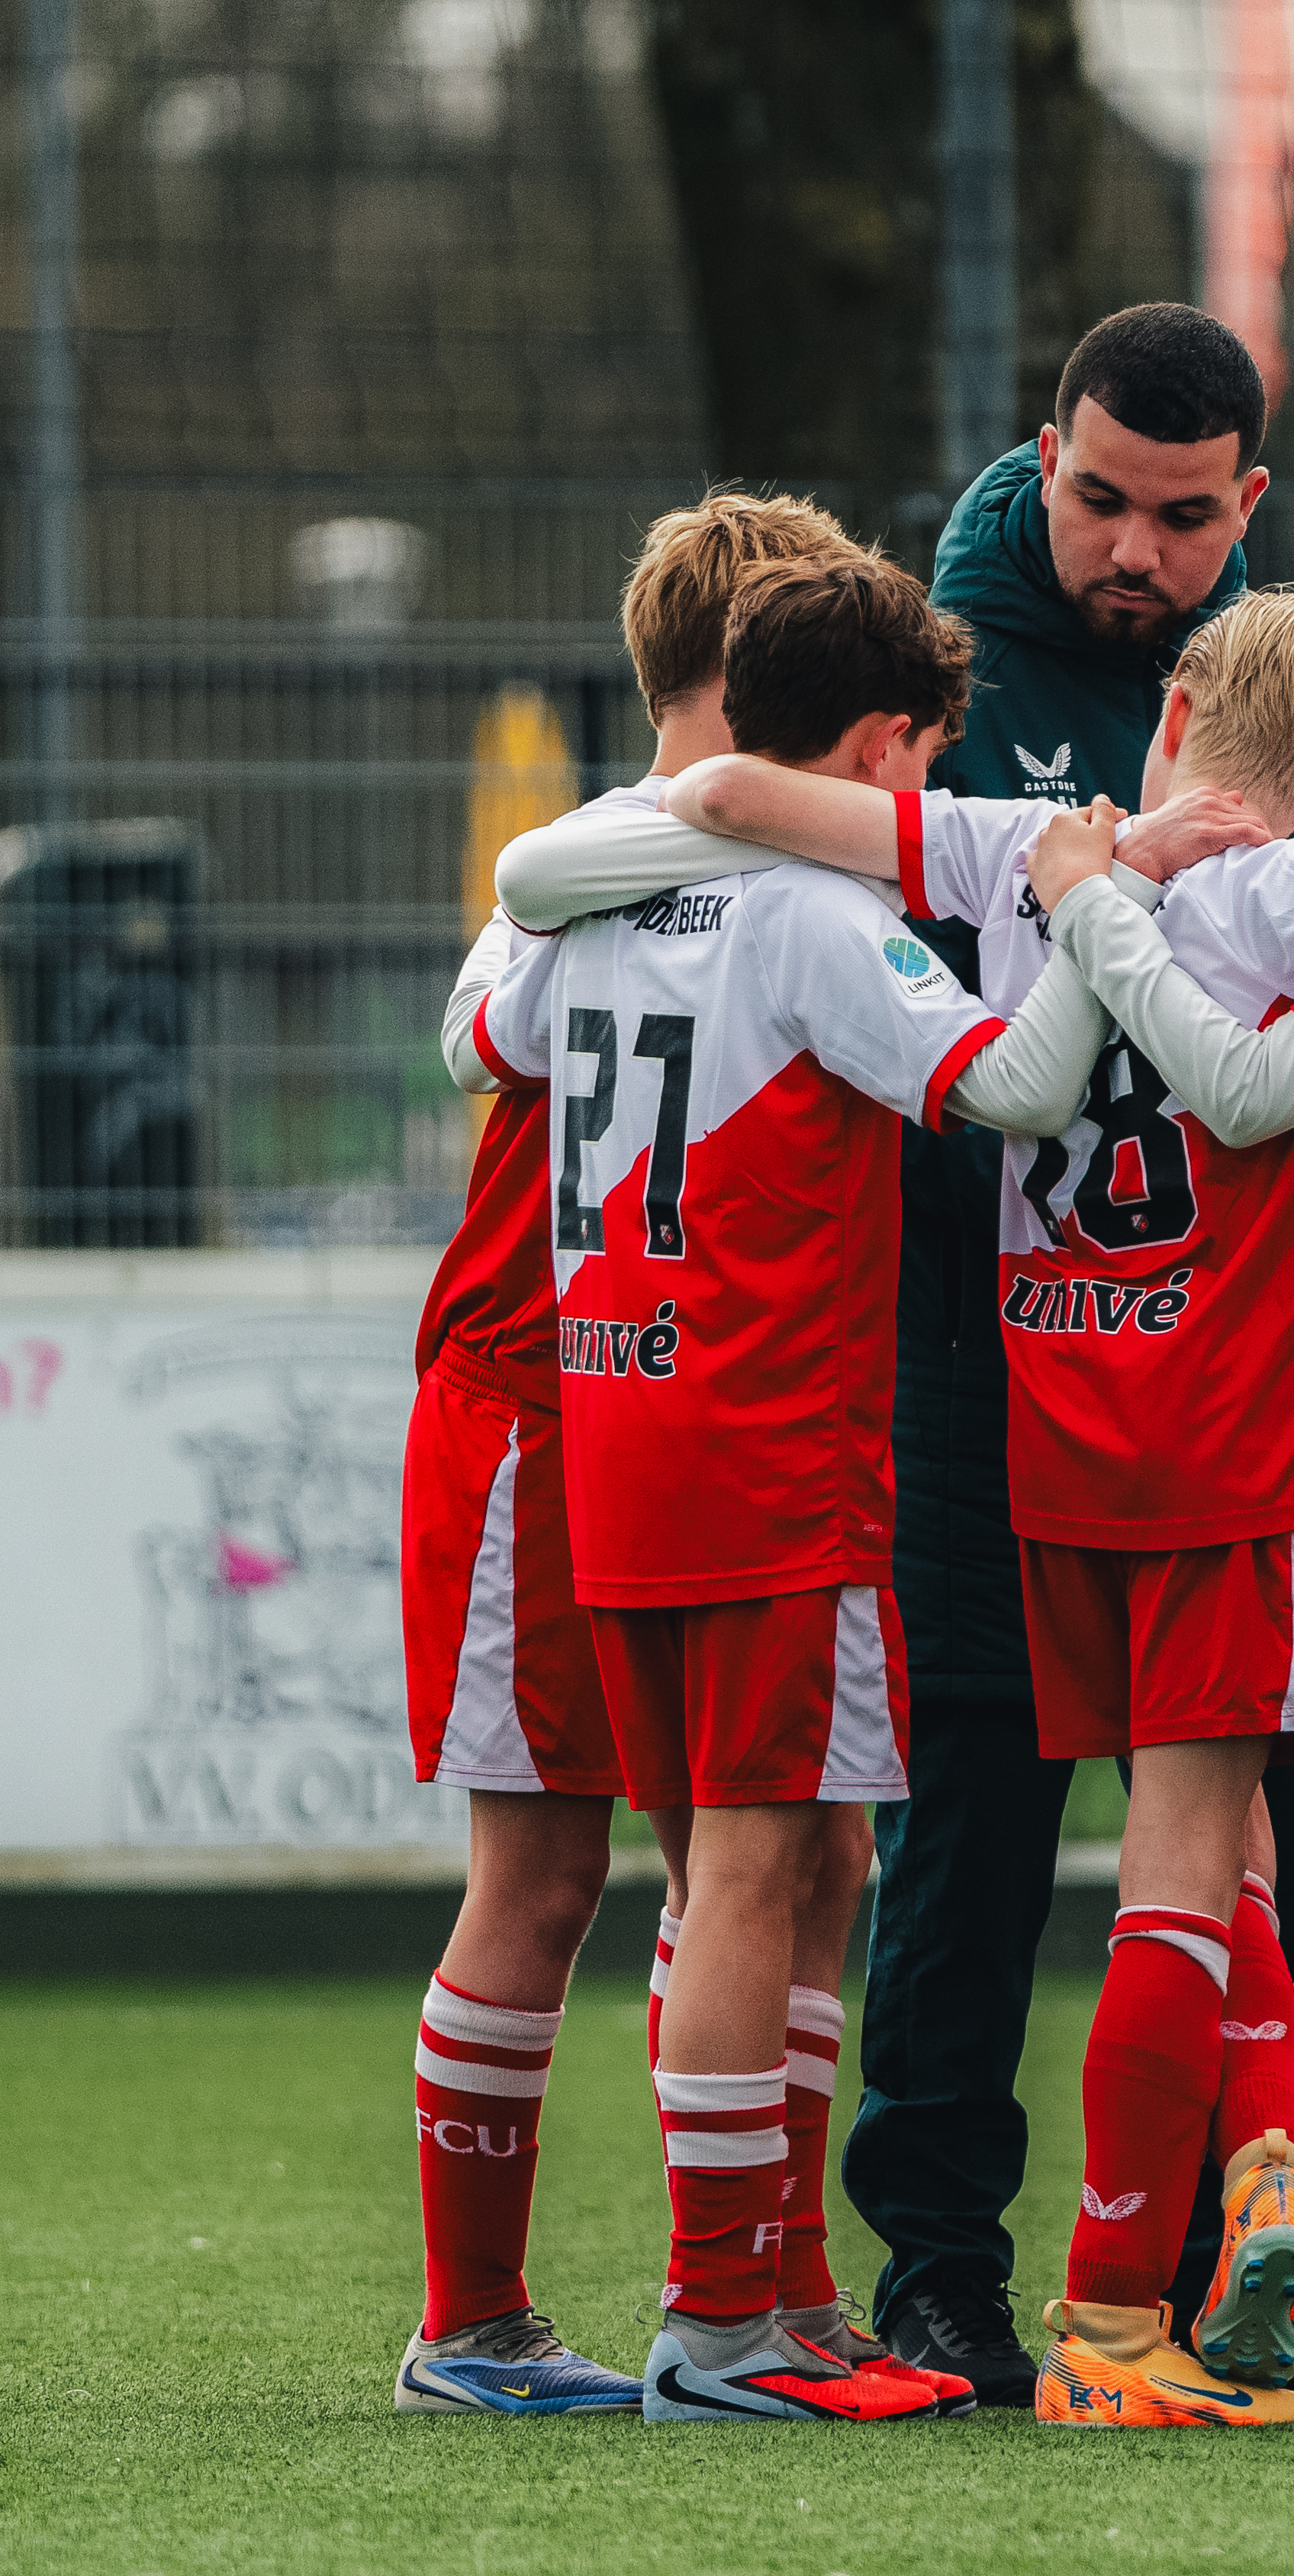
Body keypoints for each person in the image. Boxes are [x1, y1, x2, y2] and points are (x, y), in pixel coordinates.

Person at [847, 304, 1294, 2409]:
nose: (1132, 540)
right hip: (970, 1354)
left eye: (1184, 515)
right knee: (979, 1823)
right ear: (1047, 454)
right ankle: (939, 2264)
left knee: (1246, 1824)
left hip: (1212, 1377)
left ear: (1245, 512)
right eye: (1100, 496)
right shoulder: (939, 675)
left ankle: (1206, 2259)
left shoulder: (1292, 701)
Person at [530, 549, 1109, 2423]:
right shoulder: (812, 915)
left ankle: (777, 2290)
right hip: (774, 1454)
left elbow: (488, 1037)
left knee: (775, 1865)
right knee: (758, 1871)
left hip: (618, 1428)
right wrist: (1096, 920)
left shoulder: (600, 898)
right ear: (882, 748)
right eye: (922, 768)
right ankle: (720, 2325)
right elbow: (1015, 1087)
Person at [394, 489, 860, 2415]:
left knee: (788, 1851)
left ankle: (767, 2289)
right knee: (548, 1872)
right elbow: (477, 1038)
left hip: (677, 1412)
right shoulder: (578, 867)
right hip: (536, 1412)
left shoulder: (658, 865)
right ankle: (474, 2323)